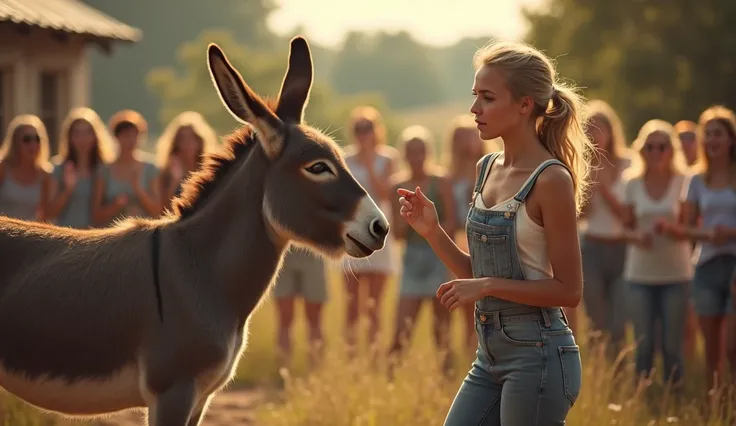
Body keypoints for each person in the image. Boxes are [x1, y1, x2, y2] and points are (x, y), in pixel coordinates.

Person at [397, 39, 591, 425]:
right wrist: (433, 231)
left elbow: (569, 290)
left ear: (523, 105)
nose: (474, 109)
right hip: (489, 356)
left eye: (487, 97)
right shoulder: (486, 167)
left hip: (538, 355)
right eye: (475, 96)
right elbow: (479, 273)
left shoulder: (551, 179)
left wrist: (486, 286)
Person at [619, 119, 692, 388]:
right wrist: (637, 236)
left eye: (662, 147)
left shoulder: (684, 181)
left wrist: (673, 229)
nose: (656, 152)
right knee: (643, 342)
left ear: (672, 150)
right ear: (642, 150)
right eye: (650, 147)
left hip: (676, 274)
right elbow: (624, 229)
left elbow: (691, 227)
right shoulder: (631, 183)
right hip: (639, 275)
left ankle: (674, 395)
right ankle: (644, 397)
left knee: (673, 345)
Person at [388, 125, 456, 374]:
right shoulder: (397, 185)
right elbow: (396, 232)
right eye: (411, 151)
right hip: (412, 260)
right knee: (401, 331)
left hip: (438, 257)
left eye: (421, 150)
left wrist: (428, 228)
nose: (416, 156)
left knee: (442, 330)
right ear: (404, 154)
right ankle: (389, 380)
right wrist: (410, 219)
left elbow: (452, 221)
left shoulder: (442, 181)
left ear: (428, 152)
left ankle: (447, 380)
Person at [43, 108, 115, 229]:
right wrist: (68, 190)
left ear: (96, 136)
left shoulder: (105, 170)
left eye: (88, 133)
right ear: (69, 137)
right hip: (65, 237)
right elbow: (49, 213)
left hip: (96, 239)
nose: (83, 138)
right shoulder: (58, 168)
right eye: (77, 133)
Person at [0, 114, 52, 221]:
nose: (32, 144)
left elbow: (44, 216)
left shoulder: (44, 174)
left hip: (28, 236)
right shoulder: (3, 168)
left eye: (37, 139)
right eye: (27, 139)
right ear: (15, 142)